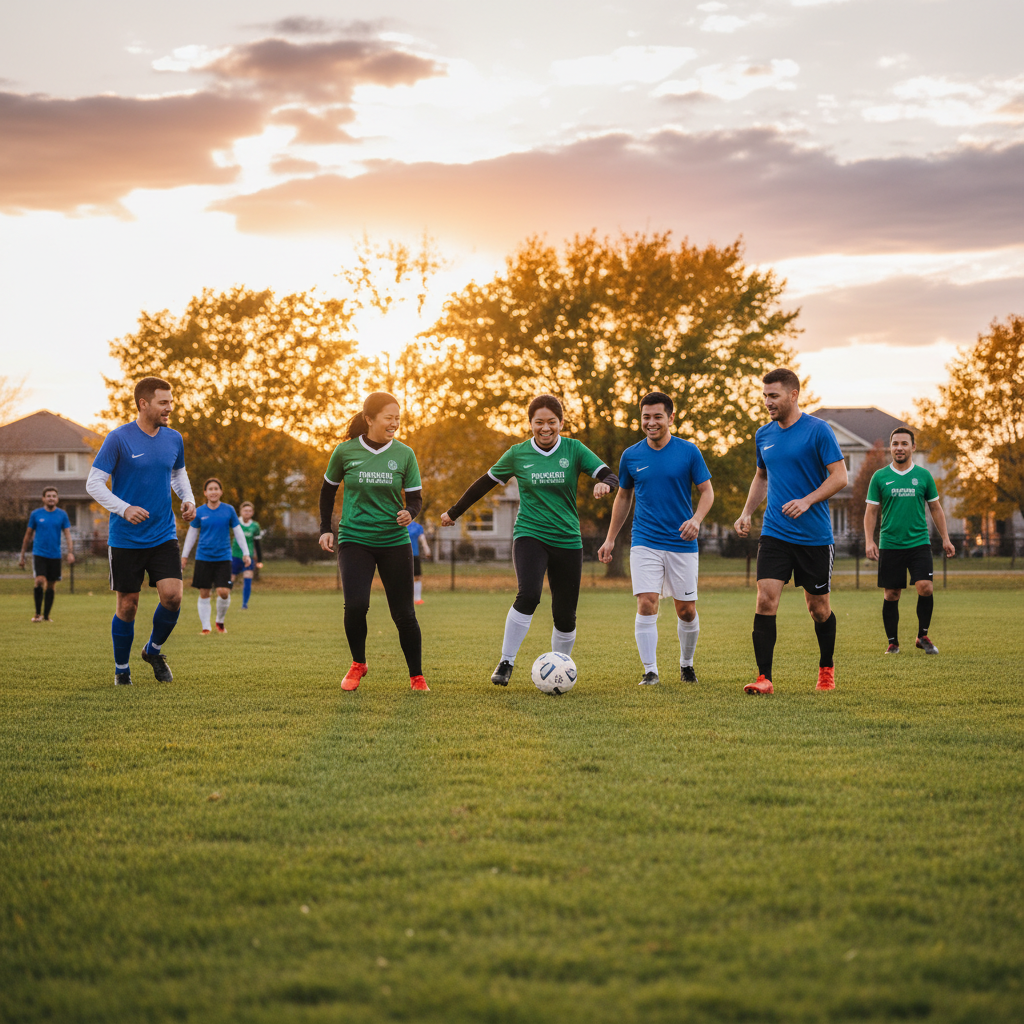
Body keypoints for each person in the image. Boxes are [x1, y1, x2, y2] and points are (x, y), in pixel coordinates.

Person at [441, 394, 618, 686]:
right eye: (539, 422)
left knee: (565, 614)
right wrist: (454, 512)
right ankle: (506, 662)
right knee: (529, 595)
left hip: (567, 540)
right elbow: (485, 483)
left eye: (552, 422)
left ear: (561, 423)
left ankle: (558, 672)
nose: (545, 428)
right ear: (531, 424)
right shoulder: (517, 453)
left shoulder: (574, 449)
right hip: (530, 535)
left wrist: (604, 485)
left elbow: (611, 476)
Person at [734, 368, 848, 695]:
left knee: (818, 608)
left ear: (793, 395)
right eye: (765, 395)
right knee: (766, 598)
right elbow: (761, 477)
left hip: (814, 537)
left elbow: (840, 477)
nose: (767, 402)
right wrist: (746, 513)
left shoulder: (818, 431)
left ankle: (826, 670)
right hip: (775, 532)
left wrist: (808, 500)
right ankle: (764, 678)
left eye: (774, 395)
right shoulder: (763, 435)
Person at [86, 377, 197, 686]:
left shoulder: (173, 438)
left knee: (173, 597)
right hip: (125, 539)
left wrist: (187, 499)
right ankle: (122, 670)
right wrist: (124, 508)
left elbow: (177, 473)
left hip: (163, 534)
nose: (170, 408)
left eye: (171, 402)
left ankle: (153, 650)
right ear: (143, 404)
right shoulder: (118, 438)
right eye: (164, 402)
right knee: (127, 605)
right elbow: (93, 483)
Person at [598, 393, 714, 686]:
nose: (651, 422)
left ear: (671, 418)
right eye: (646, 417)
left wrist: (696, 520)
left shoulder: (689, 452)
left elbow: (707, 492)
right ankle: (650, 671)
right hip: (645, 540)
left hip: (681, 543)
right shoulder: (631, 456)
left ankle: (686, 665)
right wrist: (610, 538)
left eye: (657, 416)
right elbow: (623, 497)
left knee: (686, 610)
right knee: (647, 603)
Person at [318, 392, 428, 692]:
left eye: (398, 418)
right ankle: (358, 663)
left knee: (404, 613)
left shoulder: (405, 454)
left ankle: (417, 677)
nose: (394, 423)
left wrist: (409, 512)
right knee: (355, 605)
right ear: (369, 419)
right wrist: (325, 528)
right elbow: (327, 493)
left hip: (394, 541)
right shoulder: (344, 452)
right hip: (355, 539)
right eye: (388, 418)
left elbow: (416, 499)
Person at [864, 427, 956, 654]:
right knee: (891, 593)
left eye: (904, 444)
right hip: (890, 544)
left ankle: (922, 636)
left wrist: (945, 538)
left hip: (919, 543)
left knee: (925, 587)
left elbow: (935, 508)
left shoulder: (923, 476)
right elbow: (871, 512)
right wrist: (869, 540)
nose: (899, 448)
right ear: (890, 447)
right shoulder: (880, 477)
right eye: (895, 444)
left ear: (913, 447)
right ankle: (893, 642)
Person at [180, 478, 251, 634]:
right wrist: (184, 556)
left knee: (223, 592)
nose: (213, 492)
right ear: (205, 493)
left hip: (224, 558)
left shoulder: (229, 510)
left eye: (216, 489)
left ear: (221, 492)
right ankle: (206, 627)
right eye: (210, 489)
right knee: (204, 592)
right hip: (203, 557)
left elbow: (238, 533)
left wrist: (246, 553)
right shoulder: (199, 512)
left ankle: (220, 621)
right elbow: (192, 535)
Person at [19, 486, 75, 622]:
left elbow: (67, 535)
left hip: (55, 555)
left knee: (51, 585)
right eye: (48, 496)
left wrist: (70, 552)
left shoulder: (62, 515)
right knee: (39, 580)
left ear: (57, 499)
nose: (51, 498)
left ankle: (46, 616)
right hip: (39, 553)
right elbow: (28, 535)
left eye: (54, 496)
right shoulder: (36, 514)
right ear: (43, 498)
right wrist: (22, 555)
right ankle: (37, 614)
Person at [230, 501, 263, 609]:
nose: (247, 512)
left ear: (252, 512)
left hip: (248, 557)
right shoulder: (235, 522)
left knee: (248, 578)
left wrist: (259, 560)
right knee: (230, 580)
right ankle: (224, 600)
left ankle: (244, 604)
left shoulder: (255, 526)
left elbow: (257, 544)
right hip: (234, 555)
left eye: (249, 511)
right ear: (241, 512)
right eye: (245, 510)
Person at [407, 520, 431, 604]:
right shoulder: (399, 526)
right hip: (402, 555)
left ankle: (417, 598)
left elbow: (423, 540)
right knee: (403, 577)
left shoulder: (417, 527)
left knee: (417, 576)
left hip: (414, 555)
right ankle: (404, 599)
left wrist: (426, 549)